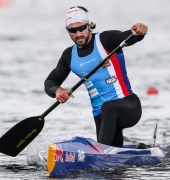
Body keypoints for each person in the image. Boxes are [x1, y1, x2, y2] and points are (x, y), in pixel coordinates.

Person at [44, 6, 148, 148]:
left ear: (89, 26)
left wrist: (138, 31)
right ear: (68, 31)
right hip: (100, 115)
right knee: (112, 158)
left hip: (129, 106)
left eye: (81, 28)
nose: (78, 33)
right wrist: (57, 91)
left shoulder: (105, 40)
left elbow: (129, 37)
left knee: (108, 108)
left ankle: (98, 152)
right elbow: (50, 82)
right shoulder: (69, 55)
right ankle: (134, 152)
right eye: (73, 30)